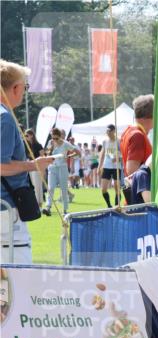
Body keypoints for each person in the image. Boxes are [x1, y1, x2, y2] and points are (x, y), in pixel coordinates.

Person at [1, 60, 54, 262]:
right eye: (25, 87)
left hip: (5, 208)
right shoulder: (4, 117)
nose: (24, 93)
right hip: (7, 209)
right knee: (17, 276)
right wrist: (34, 165)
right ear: (15, 88)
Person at [121, 94, 154, 205]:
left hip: (138, 198)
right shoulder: (137, 136)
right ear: (150, 115)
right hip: (140, 201)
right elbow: (132, 171)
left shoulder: (130, 132)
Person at [42, 128, 79, 217]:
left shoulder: (66, 144)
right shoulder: (51, 143)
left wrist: (68, 156)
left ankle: (65, 210)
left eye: (56, 138)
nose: (54, 140)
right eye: (53, 138)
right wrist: (48, 153)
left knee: (63, 189)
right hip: (52, 167)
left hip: (62, 167)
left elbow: (77, 152)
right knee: (50, 188)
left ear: (60, 136)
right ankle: (48, 207)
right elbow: (46, 154)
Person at [99, 125, 122, 207]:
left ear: (113, 131)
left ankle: (117, 205)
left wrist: (118, 158)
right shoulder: (105, 141)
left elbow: (124, 153)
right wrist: (99, 166)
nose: (107, 133)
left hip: (116, 167)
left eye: (109, 131)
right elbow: (102, 153)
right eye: (107, 131)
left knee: (117, 187)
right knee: (103, 189)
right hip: (106, 166)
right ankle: (109, 205)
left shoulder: (119, 141)